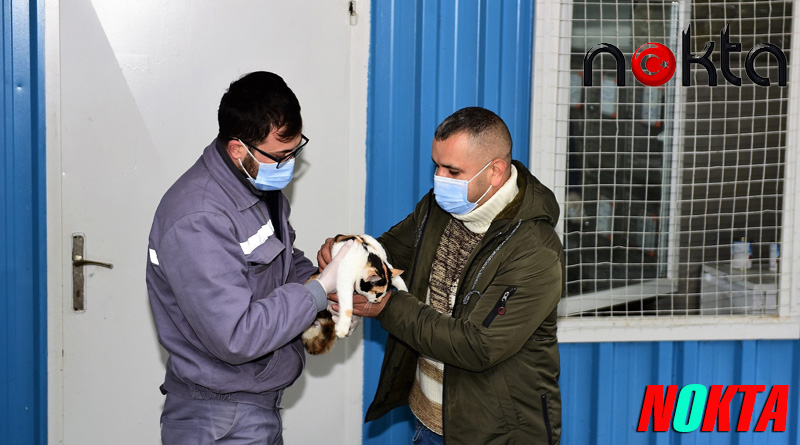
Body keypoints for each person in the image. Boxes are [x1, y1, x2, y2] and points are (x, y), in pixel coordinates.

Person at [320, 107, 563, 444]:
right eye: (437, 166)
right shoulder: (441, 205)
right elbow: (390, 253)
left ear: (495, 171)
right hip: (428, 419)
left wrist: (388, 306)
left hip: (493, 434)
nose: (439, 180)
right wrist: (348, 253)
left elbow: (478, 346)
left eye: (452, 171)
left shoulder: (535, 251)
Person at [146, 71, 350, 445]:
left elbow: (280, 261)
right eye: (280, 156)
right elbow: (236, 337)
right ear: (238, 149)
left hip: (253, 406)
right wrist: (317, 292)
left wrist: (327, 281)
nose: (289, 164)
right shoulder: (198, 219)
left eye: (295, 151)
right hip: (218, 418)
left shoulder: (256, 186)